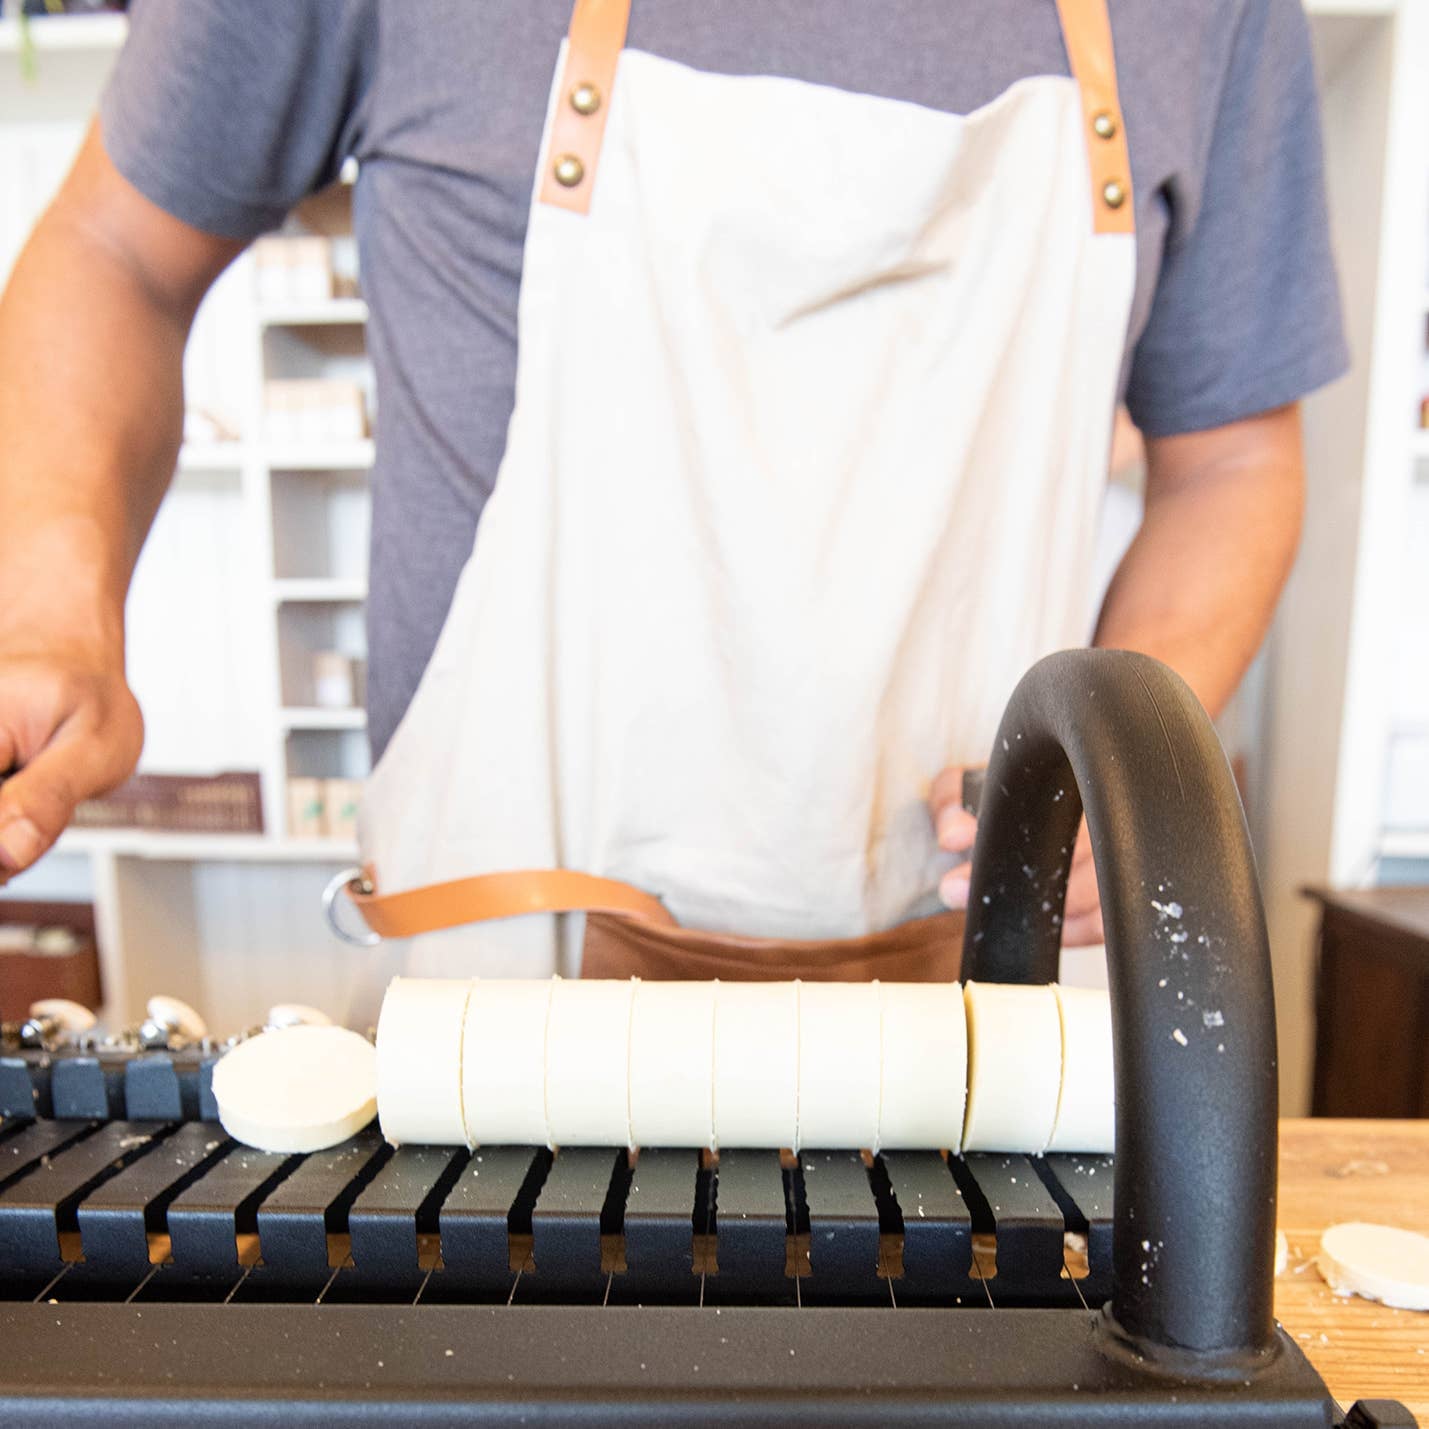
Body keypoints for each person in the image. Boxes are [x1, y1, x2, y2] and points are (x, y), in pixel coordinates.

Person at [0, 0, 1346, 983]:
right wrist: (57, 608)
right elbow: (118, 251)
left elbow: (1229, 457)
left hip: (988, 1009)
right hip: (500, 1008)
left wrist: (1117, 765)